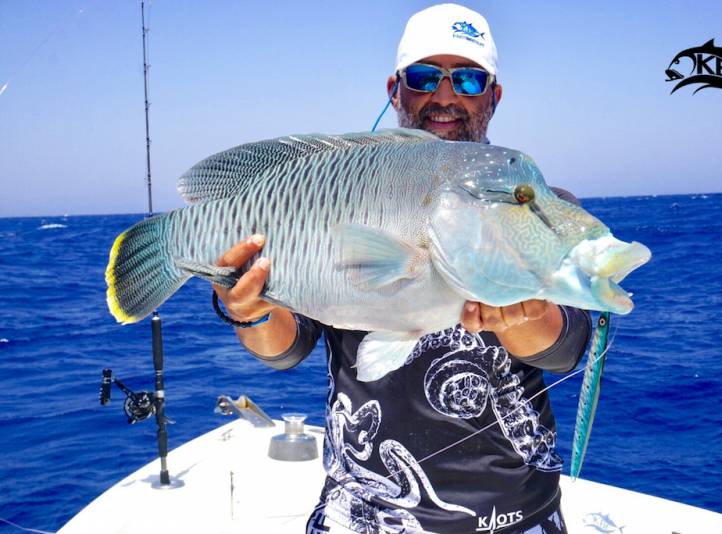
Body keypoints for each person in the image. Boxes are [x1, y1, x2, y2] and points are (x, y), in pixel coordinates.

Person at [213, 4, 591, 533]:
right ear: (395, 90)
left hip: (512, 514)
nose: (444, 96)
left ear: (493, 95)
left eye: (467, 78)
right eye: (422, 77)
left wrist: (521, 312)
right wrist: (246, 309)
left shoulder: (534, 205)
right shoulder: (342, 195)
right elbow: (287, 347)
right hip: (360, 514)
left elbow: (566, 346)